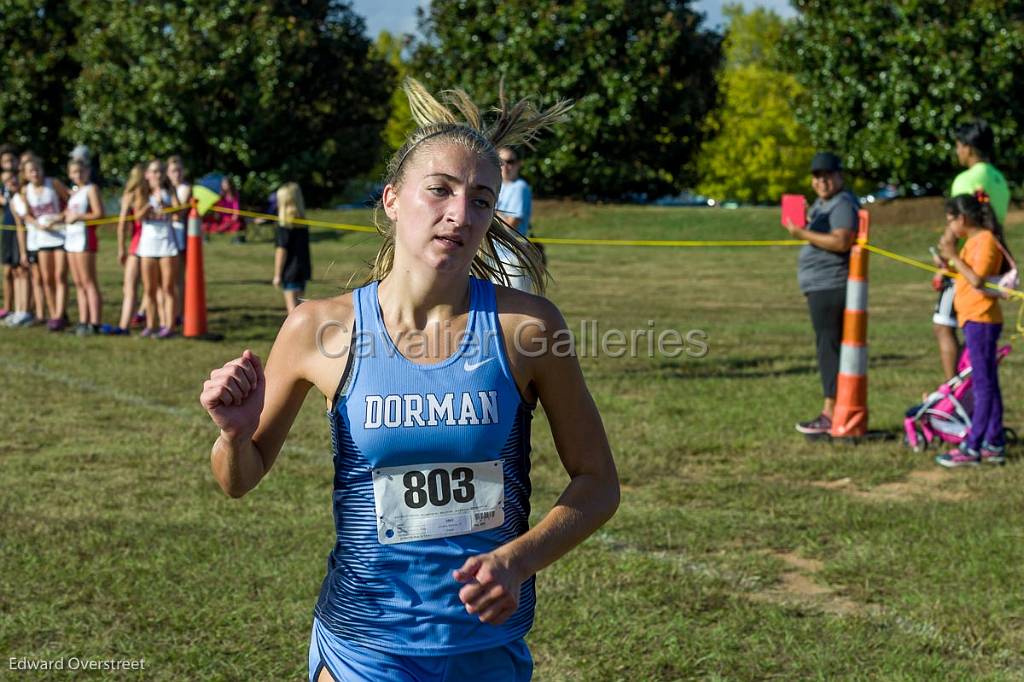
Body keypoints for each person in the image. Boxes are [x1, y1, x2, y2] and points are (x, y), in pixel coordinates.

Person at [200, 78, 616, 682]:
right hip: (364, 645)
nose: (460, 213)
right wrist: (236, 438)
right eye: (440, 191)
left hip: (487, 647)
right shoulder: (318, 327)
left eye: (480, 198)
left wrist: (518, 560)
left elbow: (599, 482)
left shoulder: (526, 328)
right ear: (393, 199)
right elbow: (237, 482)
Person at [783, 151, 858, 435]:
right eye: (817, 176)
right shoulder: (822, 204)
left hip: (831, 285)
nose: (822, 181)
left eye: (827, 175)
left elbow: (841, 241)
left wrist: (802, 234)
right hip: (819, 286)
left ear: (839, 176)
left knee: (829, 348)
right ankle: (835, 408)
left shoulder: (841, 205)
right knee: (827, 346)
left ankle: (831, 411)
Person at [935, 193, 1012, 467]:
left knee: (982, 386)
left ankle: (973, 445)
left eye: (951, 221)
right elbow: (967, 275)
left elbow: (977, 279)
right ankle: (994, 441)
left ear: (963, 218)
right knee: (988, 382)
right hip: (973, 319)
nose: (951, 227)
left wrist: (953, 254)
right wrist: (948, 263)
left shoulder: (985, 241)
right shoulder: (973, 242)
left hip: (982, 319)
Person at [931, 119, 1011, 381]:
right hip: (991, 256)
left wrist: (946, 256)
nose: (957, 152)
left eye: (958, 146)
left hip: (966, 263)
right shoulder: (999, 180)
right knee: (976, 330)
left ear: (968, 147)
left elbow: (957, 222)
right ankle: (969, 390)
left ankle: (953, 395)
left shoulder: (966, 179)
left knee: (944, 324)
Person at [21, 155, 70, 331]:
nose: (35, 173)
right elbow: (26, 214)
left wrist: (59, 217)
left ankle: (59, 315)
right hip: (42, 239)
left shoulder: (53, 183)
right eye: (31, 171)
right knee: (47, 278)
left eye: (37, 170)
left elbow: (70, 202)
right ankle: (53, 313)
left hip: (60, 235)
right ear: (26, 174)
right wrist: (37, 224)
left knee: (59, 276)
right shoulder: (26, 191)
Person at [133, 159, 179, 338]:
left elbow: (178, 211)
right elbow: (137, 217)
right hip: (148, 245)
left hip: (167, 244)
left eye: (160, 171)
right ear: (147, 175)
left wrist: (166, 206)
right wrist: (148, 206)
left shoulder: (169, 191)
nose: (157, 175)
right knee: (149, 288)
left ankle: (168, 325)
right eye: (153, 171)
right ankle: (151, 325)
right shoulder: (142, 193)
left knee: (168, 287)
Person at [64, 159, 104, 335]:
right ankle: (83, 320)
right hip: (71, 239)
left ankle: (94, 322)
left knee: (88, 281)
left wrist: (79, 217)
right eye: (74, 172)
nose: (78, 175)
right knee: (79, 282)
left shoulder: (91, 189)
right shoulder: (74, 192)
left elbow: (99, 213)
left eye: (81, 171)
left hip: (84, 239)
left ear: (87, 172)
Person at [108, 164, 146, 335]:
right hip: (151, 244)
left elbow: (122, 224)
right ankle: (141, 315)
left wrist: (121, 248)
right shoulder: (151, 194)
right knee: (152, 288)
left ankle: (124, 325)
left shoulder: (130, 195)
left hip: (137, 244)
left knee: (130, 287)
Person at [272, 182, 311, 314]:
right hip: (302, 270)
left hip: (289, 272)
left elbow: (281, 251)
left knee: (293, 312)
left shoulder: (283, 226)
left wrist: (277, 275)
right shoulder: (302, 224)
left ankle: (299, 334)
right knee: (300, 308)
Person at [167, 155, 192, 325]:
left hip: (179, 234)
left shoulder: (184, 188)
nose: (176, 174)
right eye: (173, 171)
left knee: (179, 277)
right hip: (165, 235)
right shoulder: (163, 188)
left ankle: (181, 312)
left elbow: (179, 213)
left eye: (179, 171)